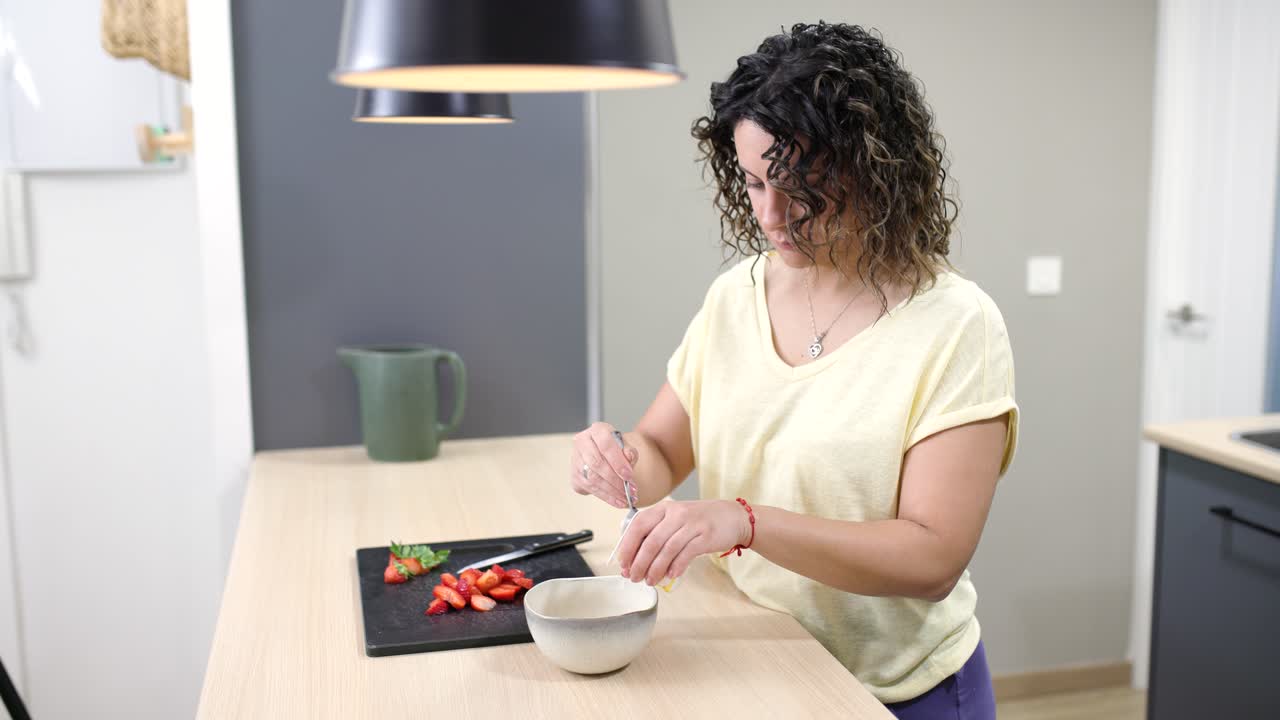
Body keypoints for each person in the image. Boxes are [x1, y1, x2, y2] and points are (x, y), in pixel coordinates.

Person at [570, 21, 1017, 719]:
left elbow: (932, 561)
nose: (772, 217)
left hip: (897, 691)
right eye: (752, 184)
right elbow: (660, 451)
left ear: (875, 168)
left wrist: (743, 522)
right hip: (763, 662)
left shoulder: (958, 325)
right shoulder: (735, 297)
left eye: (799, 185)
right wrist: (617, 461)